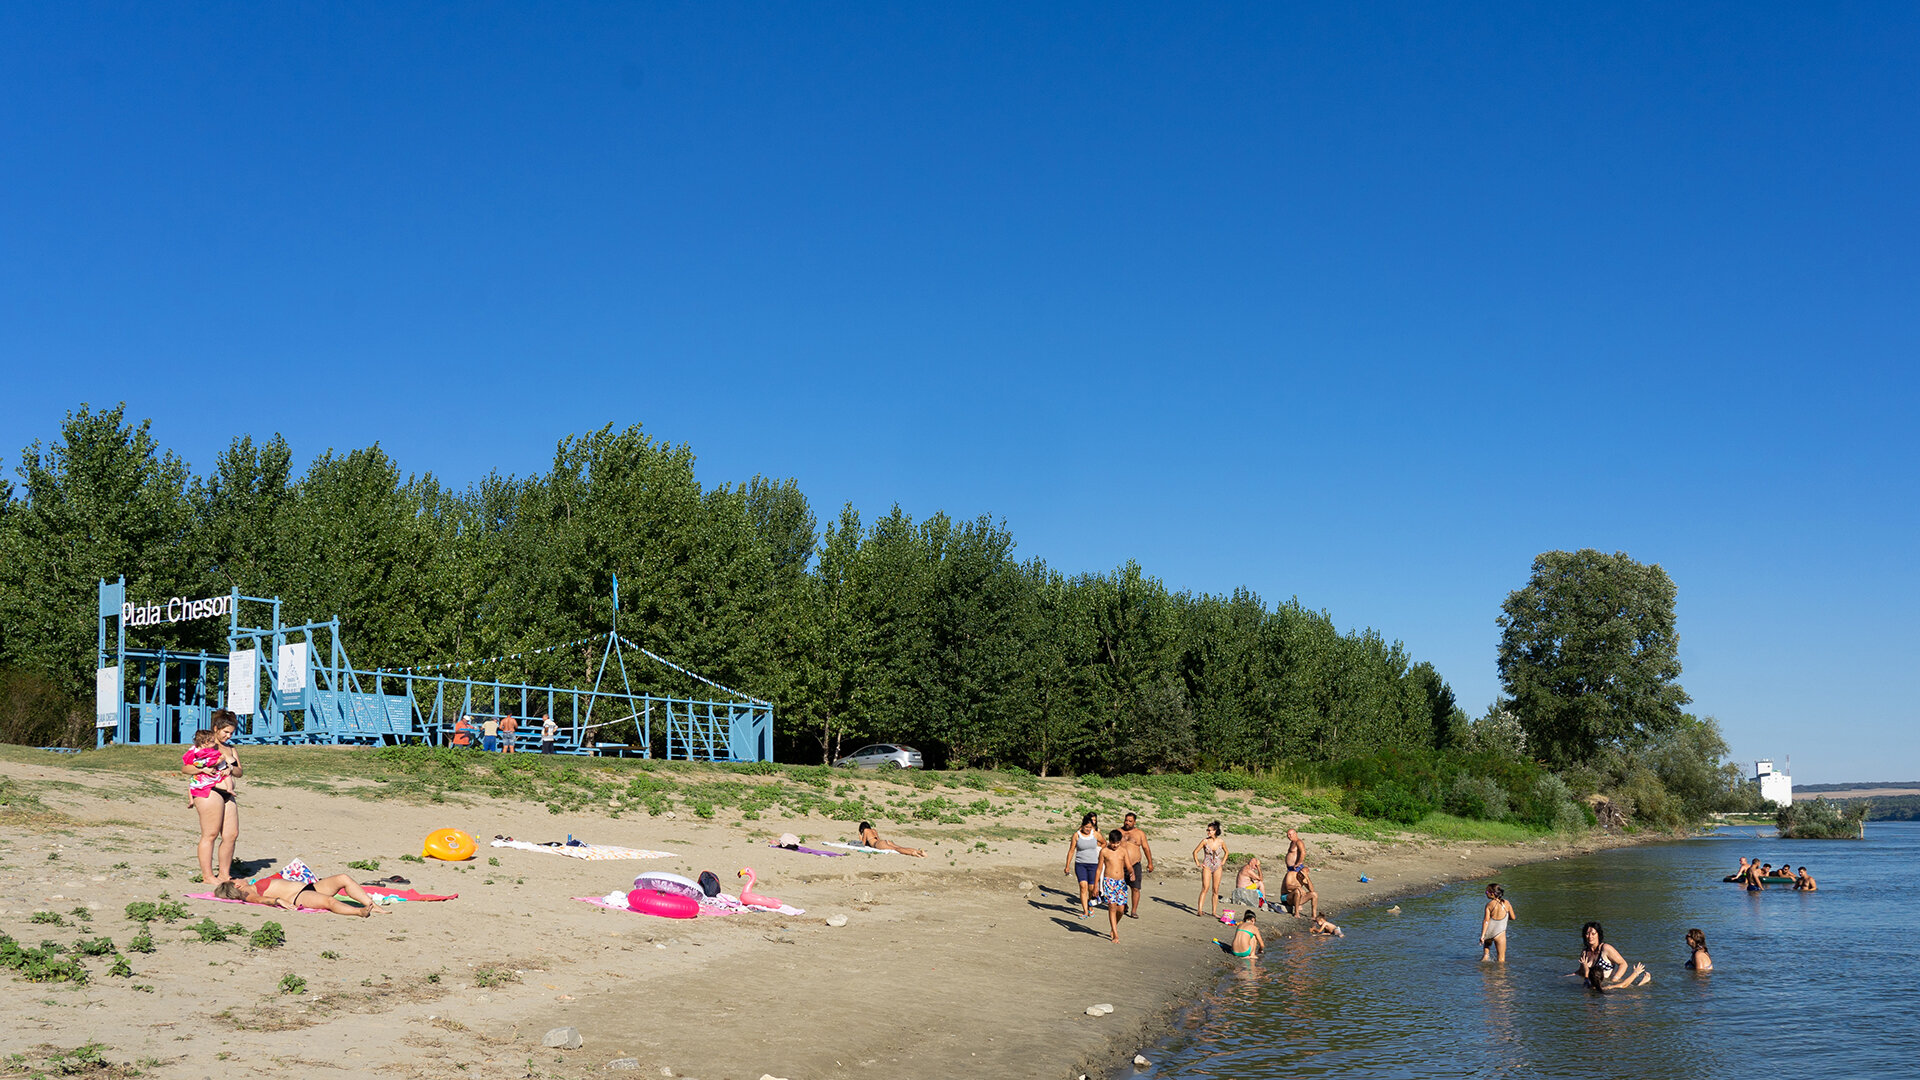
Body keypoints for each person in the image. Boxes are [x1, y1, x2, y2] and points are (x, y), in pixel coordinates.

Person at [182, 711, 243, 883]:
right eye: (225, 732)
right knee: (210, 834)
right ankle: (207, 875)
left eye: (231, 733)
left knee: (231, 835)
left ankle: (224, 874)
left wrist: (231, 769)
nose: (228, 736)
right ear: (216, 728)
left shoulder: (231, 749)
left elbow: (240, 772)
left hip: (227, 794)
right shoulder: (205, 745)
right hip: (209, 791)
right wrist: (202, 769)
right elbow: (185, 768)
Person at [214, 871, 383, 918]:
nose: (242, 879)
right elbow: (260, 900)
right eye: (238, 879)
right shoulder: (248, 893)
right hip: (299, 896)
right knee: (329, 901)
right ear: (236, 884)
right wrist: (278, 900)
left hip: (311, 886)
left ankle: (373, 906)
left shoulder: (252, 886)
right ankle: (359, 912)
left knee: (343, 878)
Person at [1573, 921, 1649, 991]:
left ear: (1598, 935)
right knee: (1629, 992)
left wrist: (1614, 980)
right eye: (1587, 933)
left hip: (1608, 982)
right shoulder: (1585, 952)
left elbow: (1623, 964)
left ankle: (1642, 983)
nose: (1590, 936)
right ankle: (1641, 984)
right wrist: (1636, 973)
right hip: (1605, 986)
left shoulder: (1606, 948)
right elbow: (1581, 971)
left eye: (1593, 934)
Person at [1095, 829, 1131, 942]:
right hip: (1108, 882)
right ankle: (1115, 934)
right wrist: (1096, 885)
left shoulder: (1123, 851)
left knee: (1121, 909)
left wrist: (1132, 873)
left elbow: (1128, 865)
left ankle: (1113, 926)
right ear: (1109, 841)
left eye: (1117, 843)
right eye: (1113, 842)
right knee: (1112, 906)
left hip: (1121, 882)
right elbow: (1099, 869)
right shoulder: (1104, 852)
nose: (1115, 845)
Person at [1064, 812, 1104, 917]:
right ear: (1082, 826)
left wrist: (1101, 854)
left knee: (1091, 888)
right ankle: (1085, 911)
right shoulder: (1076, 835)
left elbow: (1104, 843)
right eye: (1086, 827)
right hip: (1080, 864)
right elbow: (1071, 850)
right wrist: (1067, 865)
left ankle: (1089, 905)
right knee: (1083, 886)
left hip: (1093, 864)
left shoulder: (1095, 834)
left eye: (1090, 827)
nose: (1088, 829)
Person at [183, 729, 235, 806]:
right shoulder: (203, 753)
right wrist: (220, 760)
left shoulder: (200, 751)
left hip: (217, 787)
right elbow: (209, 763)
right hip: (210, 784)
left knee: (191, 786)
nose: (229, 736)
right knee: (193, 785)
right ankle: (229, 788)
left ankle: (191, 800)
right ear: (207, 742)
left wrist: (229, 767)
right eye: (213, 741)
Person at [1119, 812, 1154, 920]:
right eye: (1126, 820)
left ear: (1134, 822)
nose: (1127, 823)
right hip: (1120, 864)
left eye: (1130, 821)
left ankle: (1134, 911)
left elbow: (1146, 848)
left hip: (1135, 865)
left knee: (1135, 888)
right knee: (1120, 887)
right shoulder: (1118, 832)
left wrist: (1150, 863)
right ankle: (1123, 905)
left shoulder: (1139, 834)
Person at [1192, 821, 1228, 919]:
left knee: (1215, 889)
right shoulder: (1205, 841)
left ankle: (1214, 911)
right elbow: (1195, 852)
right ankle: (1199, 910)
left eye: (1210, 830)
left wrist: (1223, 861)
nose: (1208, 832)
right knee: (1205, 888)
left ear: (1215, 831)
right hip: (1207, 865)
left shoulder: (1221, 841)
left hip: (1217, 866)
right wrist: (1198, 863)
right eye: (1207, 830)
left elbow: (1226, 852)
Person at [1480, 882, 1516, 962]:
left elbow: (1486, 921)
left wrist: (1482, 936)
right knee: (1501, 960)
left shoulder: (1489, 905)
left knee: (1485, 957)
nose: (1485, 894)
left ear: (1492, 893)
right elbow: (1513, 918)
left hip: (1489, 932)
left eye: (1486, 892)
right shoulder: (1507, 903)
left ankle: (1483, 973)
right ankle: (1500, 974)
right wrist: (1505, 917)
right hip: (1500, 934)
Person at [857, 820, 926, 858]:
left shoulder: (866, 831)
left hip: (878, 844)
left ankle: (912, 853)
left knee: (896, 849)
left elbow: (862, 844)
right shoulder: (874, 830)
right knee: (899, 847)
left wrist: (860, 837)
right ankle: (919, 852)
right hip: (884, 841)